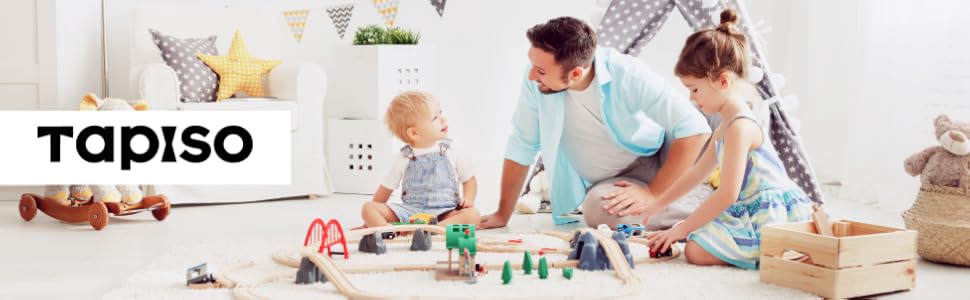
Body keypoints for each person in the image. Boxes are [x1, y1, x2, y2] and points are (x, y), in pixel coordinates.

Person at [479, 16, 711, 229]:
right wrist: (502, 214)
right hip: (620, 180)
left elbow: (695, 129)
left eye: (540, 71)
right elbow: (523, 142)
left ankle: (709, 201)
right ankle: (705, 205)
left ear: (575, 74)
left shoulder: (626, 72)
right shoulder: (536, 83)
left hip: (662, 153)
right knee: (598, 211)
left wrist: (652, 193)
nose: (532, 76)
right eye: (532, 66)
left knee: (723, 114)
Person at [626, 9, 814, 269]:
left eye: (694, 89)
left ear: (723, 81)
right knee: (696, 238)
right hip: (750, 208)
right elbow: (697, 173)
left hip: (770, 215)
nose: (692, 98)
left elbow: (727, 194)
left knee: (695, 248)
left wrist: (680, 229)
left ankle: (776, 252)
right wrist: (656, 204)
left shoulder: (740, 126)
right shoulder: (727, 124)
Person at [358, 91, 480, 229]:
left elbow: (469, 180)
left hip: (445, 212)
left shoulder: (453, 150)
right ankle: (390, 232)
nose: (443, 119)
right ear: (414, 133)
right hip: (411, 212)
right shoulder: (403, 157)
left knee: (473, 215)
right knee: (368, 208)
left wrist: (468, 199)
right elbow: (385, 189)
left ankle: (430, 230)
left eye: (440, 112)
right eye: (435, 118)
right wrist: (369, 222)